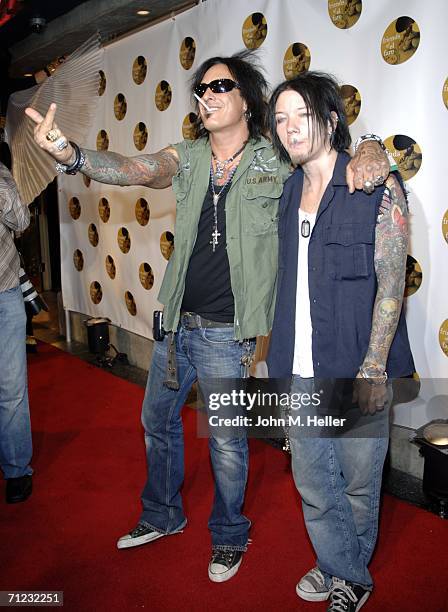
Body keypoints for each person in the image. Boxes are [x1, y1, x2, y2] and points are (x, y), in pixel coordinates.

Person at [25, 52, 389, 582]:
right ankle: (163, 515)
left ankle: (228, 535)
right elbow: (136, 169)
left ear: (246, 98)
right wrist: (71, 154)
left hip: (228, 332)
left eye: (220, 85)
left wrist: (375, 146)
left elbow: (328, 153)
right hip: (176, 322)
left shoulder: (276, 157)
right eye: (201, 88)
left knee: (225, 442)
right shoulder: (189, 156)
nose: (207, 95)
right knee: (156, 421)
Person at [266, 72, 414, 610]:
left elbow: (392, 283)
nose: (289, 127)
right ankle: (344, 570)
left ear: (329, 119)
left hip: (358, 366)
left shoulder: (374, 184)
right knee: (312, 482)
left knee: (357, 482)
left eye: (301, 114)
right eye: (280, 118)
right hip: (299, 368)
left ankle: (344, 569)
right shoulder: (286, 194)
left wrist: (373, 367)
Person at [0, 161, 33, 503]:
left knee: (11, 387)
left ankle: (16, 469)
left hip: (5, 292)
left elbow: (22, 223)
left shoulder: (1, 175)